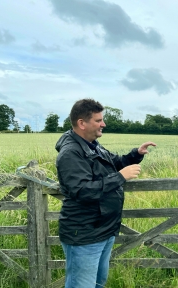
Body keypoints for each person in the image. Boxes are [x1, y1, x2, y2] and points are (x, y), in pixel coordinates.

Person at [55, 98, 156, 288]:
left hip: (103, 229)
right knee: (82, 285)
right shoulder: (71, 153)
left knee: (98, 283)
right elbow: (82, 191)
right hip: (84, 233)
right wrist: (120, 177)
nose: (104, 124)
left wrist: (136, 154)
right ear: (82, 123)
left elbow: (114, 163)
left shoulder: (92, 145)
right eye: (98, 120)